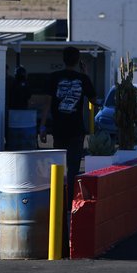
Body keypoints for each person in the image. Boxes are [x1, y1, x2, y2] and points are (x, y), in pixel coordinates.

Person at [39, 46, 97, 235]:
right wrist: (85, 74)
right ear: (78, 60)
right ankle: (69, 205)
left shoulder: (54, 78)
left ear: (63, 59)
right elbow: (94, 100)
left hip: (59, 130)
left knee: (58, 168)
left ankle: (57, 201)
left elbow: (47, 103)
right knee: (73, 169)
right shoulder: (83, 79)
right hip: (76, 131)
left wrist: (42, 126)